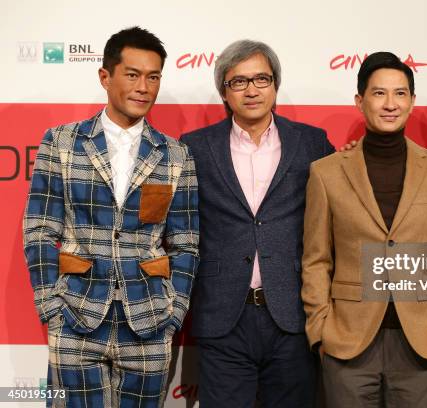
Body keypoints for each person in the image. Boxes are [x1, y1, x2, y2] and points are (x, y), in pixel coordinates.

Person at [22, 26, 199, 407]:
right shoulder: (62, 142)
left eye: (153, 77)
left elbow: (185, 241)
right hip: (76, 316)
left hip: (149, 320)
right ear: (105, 77)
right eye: (133, 75)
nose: (143, 87)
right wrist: (52, 307)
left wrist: (174, 312)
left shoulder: (175, 154)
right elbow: (39, 230)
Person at [301, 51, 427, 408]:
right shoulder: (326, 172)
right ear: (360, 101)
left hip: (424, 341)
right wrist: (320, 330)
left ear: (412, 101)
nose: (390, 104)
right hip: (348, 343)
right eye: (378, 93)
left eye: (400, 93)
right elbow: (316, 259)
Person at [180, 39, 335, 408]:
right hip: (223, 317)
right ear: (224, 92)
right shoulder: (194, 147)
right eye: (239, 81)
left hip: (292, 314)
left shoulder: (312, 143)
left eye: (261, 79)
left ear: (275, 85)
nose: (252, 90)